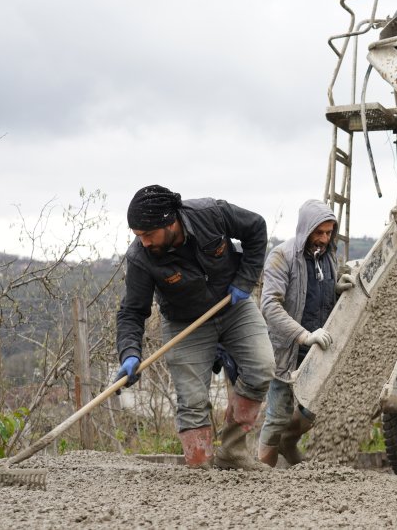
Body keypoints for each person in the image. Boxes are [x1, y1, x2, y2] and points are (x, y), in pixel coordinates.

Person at [114, 185, 275, 469]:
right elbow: (132, 311)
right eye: (139, 236)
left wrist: (245, 280)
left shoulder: (210, 214)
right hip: (184, 321)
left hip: (233, 305)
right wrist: (129, 353)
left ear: (170, 221)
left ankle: (232, 453)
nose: (145, 242)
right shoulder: (141, 257)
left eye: (149, 234)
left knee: (261, 367)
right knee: (192, 400)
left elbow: (256, 228)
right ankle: (198, 468)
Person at [256, 199, 354, 466]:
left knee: (315, 408)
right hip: (288, 348)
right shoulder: (282, 256)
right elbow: (270, 306)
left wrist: (336, 287)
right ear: (306, 229)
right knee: (277, 414)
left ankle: (288, 442)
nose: (323, 239)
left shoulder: (328, 257)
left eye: (328, 233)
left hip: (319, 348)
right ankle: (263, 472)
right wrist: (303, 335)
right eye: (318, 233)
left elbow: (313, 293)